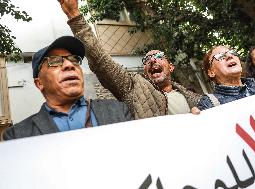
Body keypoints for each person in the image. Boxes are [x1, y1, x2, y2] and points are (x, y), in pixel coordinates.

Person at [58, 0, 202, 119]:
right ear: (145, 73)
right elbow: (100, 61)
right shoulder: (133, 89)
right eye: (146, 59)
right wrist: (75, 16)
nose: (152, 60)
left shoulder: (193, 97)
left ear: (171, 67)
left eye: (158, 56)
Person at [2, 36, 133, 140]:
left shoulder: (118, 110)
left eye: (74, 59)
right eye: (55, 61)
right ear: (39, 83)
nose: (69, 64)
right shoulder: (17, 135)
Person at [197, 45, 255, 110]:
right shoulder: (208, 104)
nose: (230, 56)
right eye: (220, 56)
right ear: (211, 72)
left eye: (232, 53)